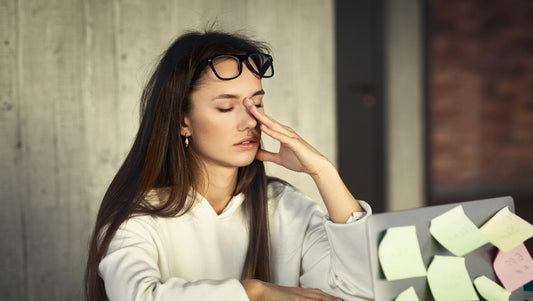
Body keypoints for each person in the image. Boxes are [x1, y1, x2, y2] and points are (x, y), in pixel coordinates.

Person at [85, 30, 373, 301]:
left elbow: (360, 289)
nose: (249, 121)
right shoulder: (137, 218)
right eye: (226, 107)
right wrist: (254, 292)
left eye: (256, 105)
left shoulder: (286, 208)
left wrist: (323, 172)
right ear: (183, 120)